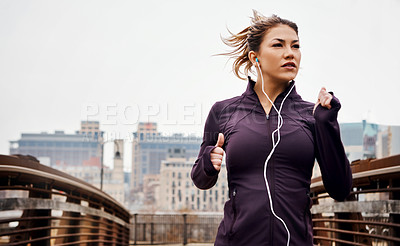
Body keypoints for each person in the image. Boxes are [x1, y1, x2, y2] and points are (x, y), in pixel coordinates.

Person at [190, 10, 352, 246]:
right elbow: (200, 179)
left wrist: (327, 123)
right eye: (278, 45)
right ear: (255, 57)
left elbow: (340, 189)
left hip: (294, 241)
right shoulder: (223, 111)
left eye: (295, 46)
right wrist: (208, 161)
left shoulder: (312, 115)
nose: (290, 53)